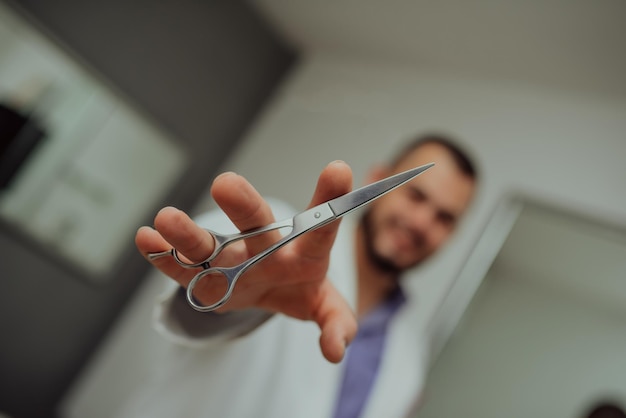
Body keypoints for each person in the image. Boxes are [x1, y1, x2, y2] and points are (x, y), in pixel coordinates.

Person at [129, 134, 478, 418]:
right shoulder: (267, 240)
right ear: (376, 181)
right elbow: (190, 313)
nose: (421, 223)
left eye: (444, 218)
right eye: (416, 195)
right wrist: (223, 299)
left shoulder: (408, 356)